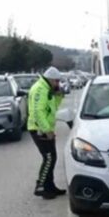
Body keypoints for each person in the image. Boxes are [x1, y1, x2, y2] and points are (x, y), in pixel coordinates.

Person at [28, 66, 66, 199]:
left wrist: (59, 95)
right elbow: (38, 112)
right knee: (49, 158)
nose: (58, 84)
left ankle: (50, 186)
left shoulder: (47, 89)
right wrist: (46, 130)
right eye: (56, 81)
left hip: (46, 129)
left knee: (52, 157)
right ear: (50, 79)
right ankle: (41, 185)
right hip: (39, 129)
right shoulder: (40, 89)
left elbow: (53, 107)